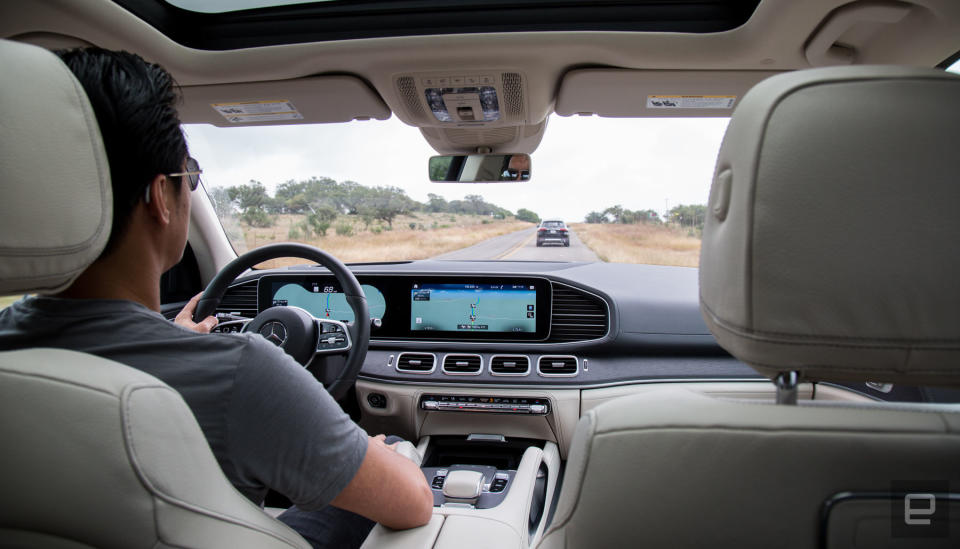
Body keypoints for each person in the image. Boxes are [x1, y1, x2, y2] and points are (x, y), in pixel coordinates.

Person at [0, 48, 433, 548]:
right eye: (192, 176)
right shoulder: (240, 373)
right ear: (163, 196)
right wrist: (389, 458)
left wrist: (171, 341)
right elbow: (412, 502)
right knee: (399, 453)